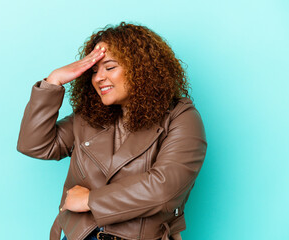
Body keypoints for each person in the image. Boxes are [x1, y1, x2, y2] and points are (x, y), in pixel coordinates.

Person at [17, 22, 207, 240]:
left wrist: (90, 200)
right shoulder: (88, 118)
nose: (98, 78)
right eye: (94, 70)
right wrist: (54, 82)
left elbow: (163, 190)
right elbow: (34, 145)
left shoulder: (181, 117)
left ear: (140, 68)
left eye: (110, 67)